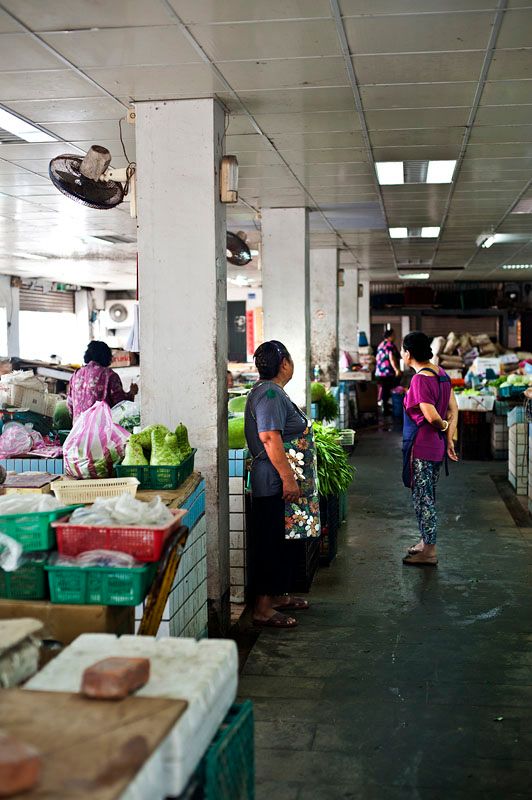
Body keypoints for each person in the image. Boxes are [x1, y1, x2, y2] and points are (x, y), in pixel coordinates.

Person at [245, 340, 320, 629]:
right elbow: (269, 438)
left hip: (278, 482)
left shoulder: (272, 393)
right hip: (273, 483)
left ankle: (277, 597)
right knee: (270, 543)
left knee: (281, 541)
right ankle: (263, 608)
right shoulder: (271, 395)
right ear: (284, 364)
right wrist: (288, 478)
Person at [401, 331, 459, 567]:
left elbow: (433, 416)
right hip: (436, 447)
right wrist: (450, 438)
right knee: (427, 496)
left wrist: (443, 426)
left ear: (408, 353)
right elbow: (454, 409)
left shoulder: (420, 379)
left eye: (403, 351)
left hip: (422, 448)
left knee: (423, 500)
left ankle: (430, 551)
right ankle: (425, 542)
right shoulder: (442, 374)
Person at [67, 341, 138, 421]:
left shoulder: (76, 374)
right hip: (99, 428)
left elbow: (70, 404)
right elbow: (120, 405)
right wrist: (131, 393)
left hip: (78, 428)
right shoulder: (109, 375)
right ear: (106, 356)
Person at [375, 329, 401, 415]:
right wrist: (397, 369)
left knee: (384, 390)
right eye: (393, 335)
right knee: (390, 389)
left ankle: (385, 407)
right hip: (387, 372)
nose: (395, 337)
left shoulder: (380, 345)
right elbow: (392, 358)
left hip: (379, 372)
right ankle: (386, 410)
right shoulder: (390, 345)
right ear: (390, 336)